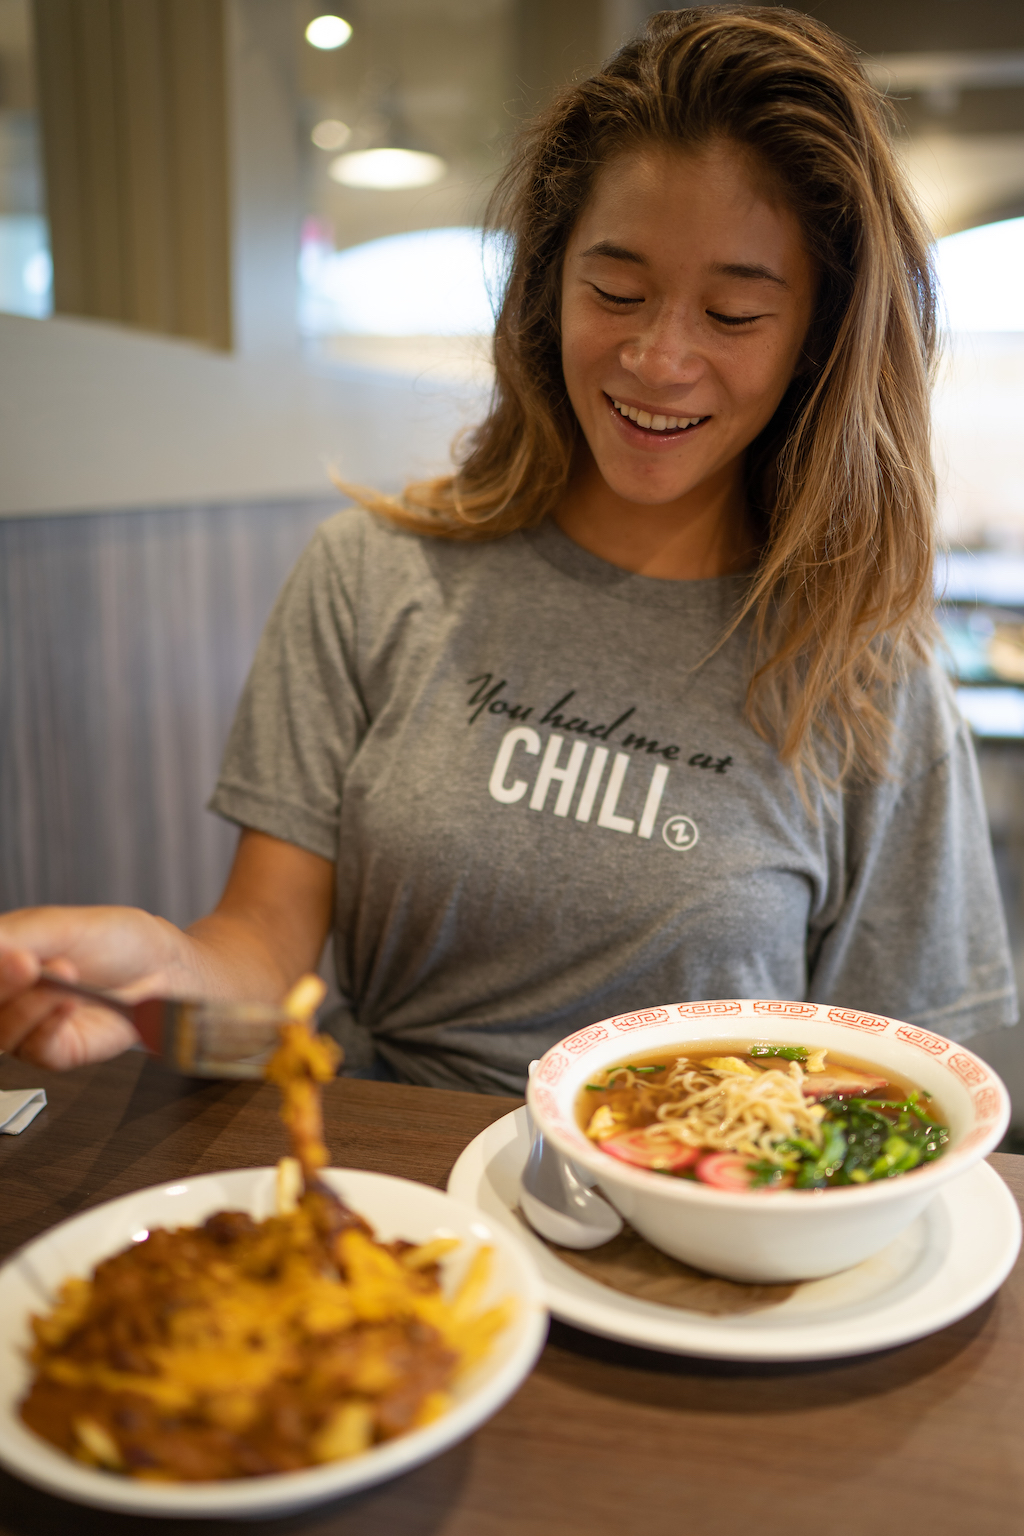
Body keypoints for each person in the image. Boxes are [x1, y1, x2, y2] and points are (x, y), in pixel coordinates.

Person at [0, 7, 1015, 1092]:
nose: (658, 356)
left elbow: (905, 1074)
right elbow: (260, 955)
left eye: (730, 314)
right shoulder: (370, 575)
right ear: (546, 284)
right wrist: (157, 970)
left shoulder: (862, 671)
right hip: (397, 1209)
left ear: (817, 337)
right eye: (614, 291)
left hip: (699, 1232)